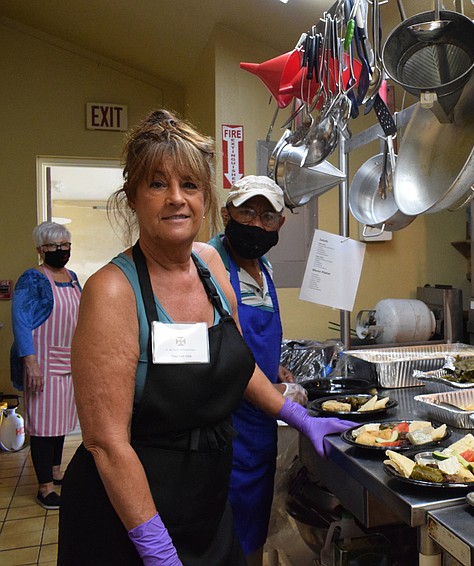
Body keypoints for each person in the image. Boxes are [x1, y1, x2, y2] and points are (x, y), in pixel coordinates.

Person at [58, 109, 354, 566]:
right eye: (158, 184)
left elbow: (237, 367)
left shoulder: (211, 268)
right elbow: (107, 443)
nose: (176, 199)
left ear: (205, 198)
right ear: (133, 197)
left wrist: (297, 415)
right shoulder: (113, 291)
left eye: (190, 185)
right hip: (132, 516)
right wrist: (155, 548)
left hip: (208, 505)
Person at [208, 174, 305, 566]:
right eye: (246, 211)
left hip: (260, 426)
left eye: (268, 216)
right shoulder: (208, 264)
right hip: (223, 425)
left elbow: (252, 337)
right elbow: (217, 350)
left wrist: (274, 368)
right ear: (225, 213)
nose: (256, 223)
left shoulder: (263, 268)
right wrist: (276, 396)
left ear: (280, 224)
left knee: (253, 530)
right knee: (222, 536)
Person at [11, 221, 81, 510]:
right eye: (54, 246)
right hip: (41, 361)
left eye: (65, 245)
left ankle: (55, 472)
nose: (62, 251)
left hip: (67, 360)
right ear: (41, 250)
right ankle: (45, 488)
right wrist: (31, 362)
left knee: (59, 420)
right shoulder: (33, 278)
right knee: (42, 425)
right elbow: (21, 321)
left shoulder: (72, 276)